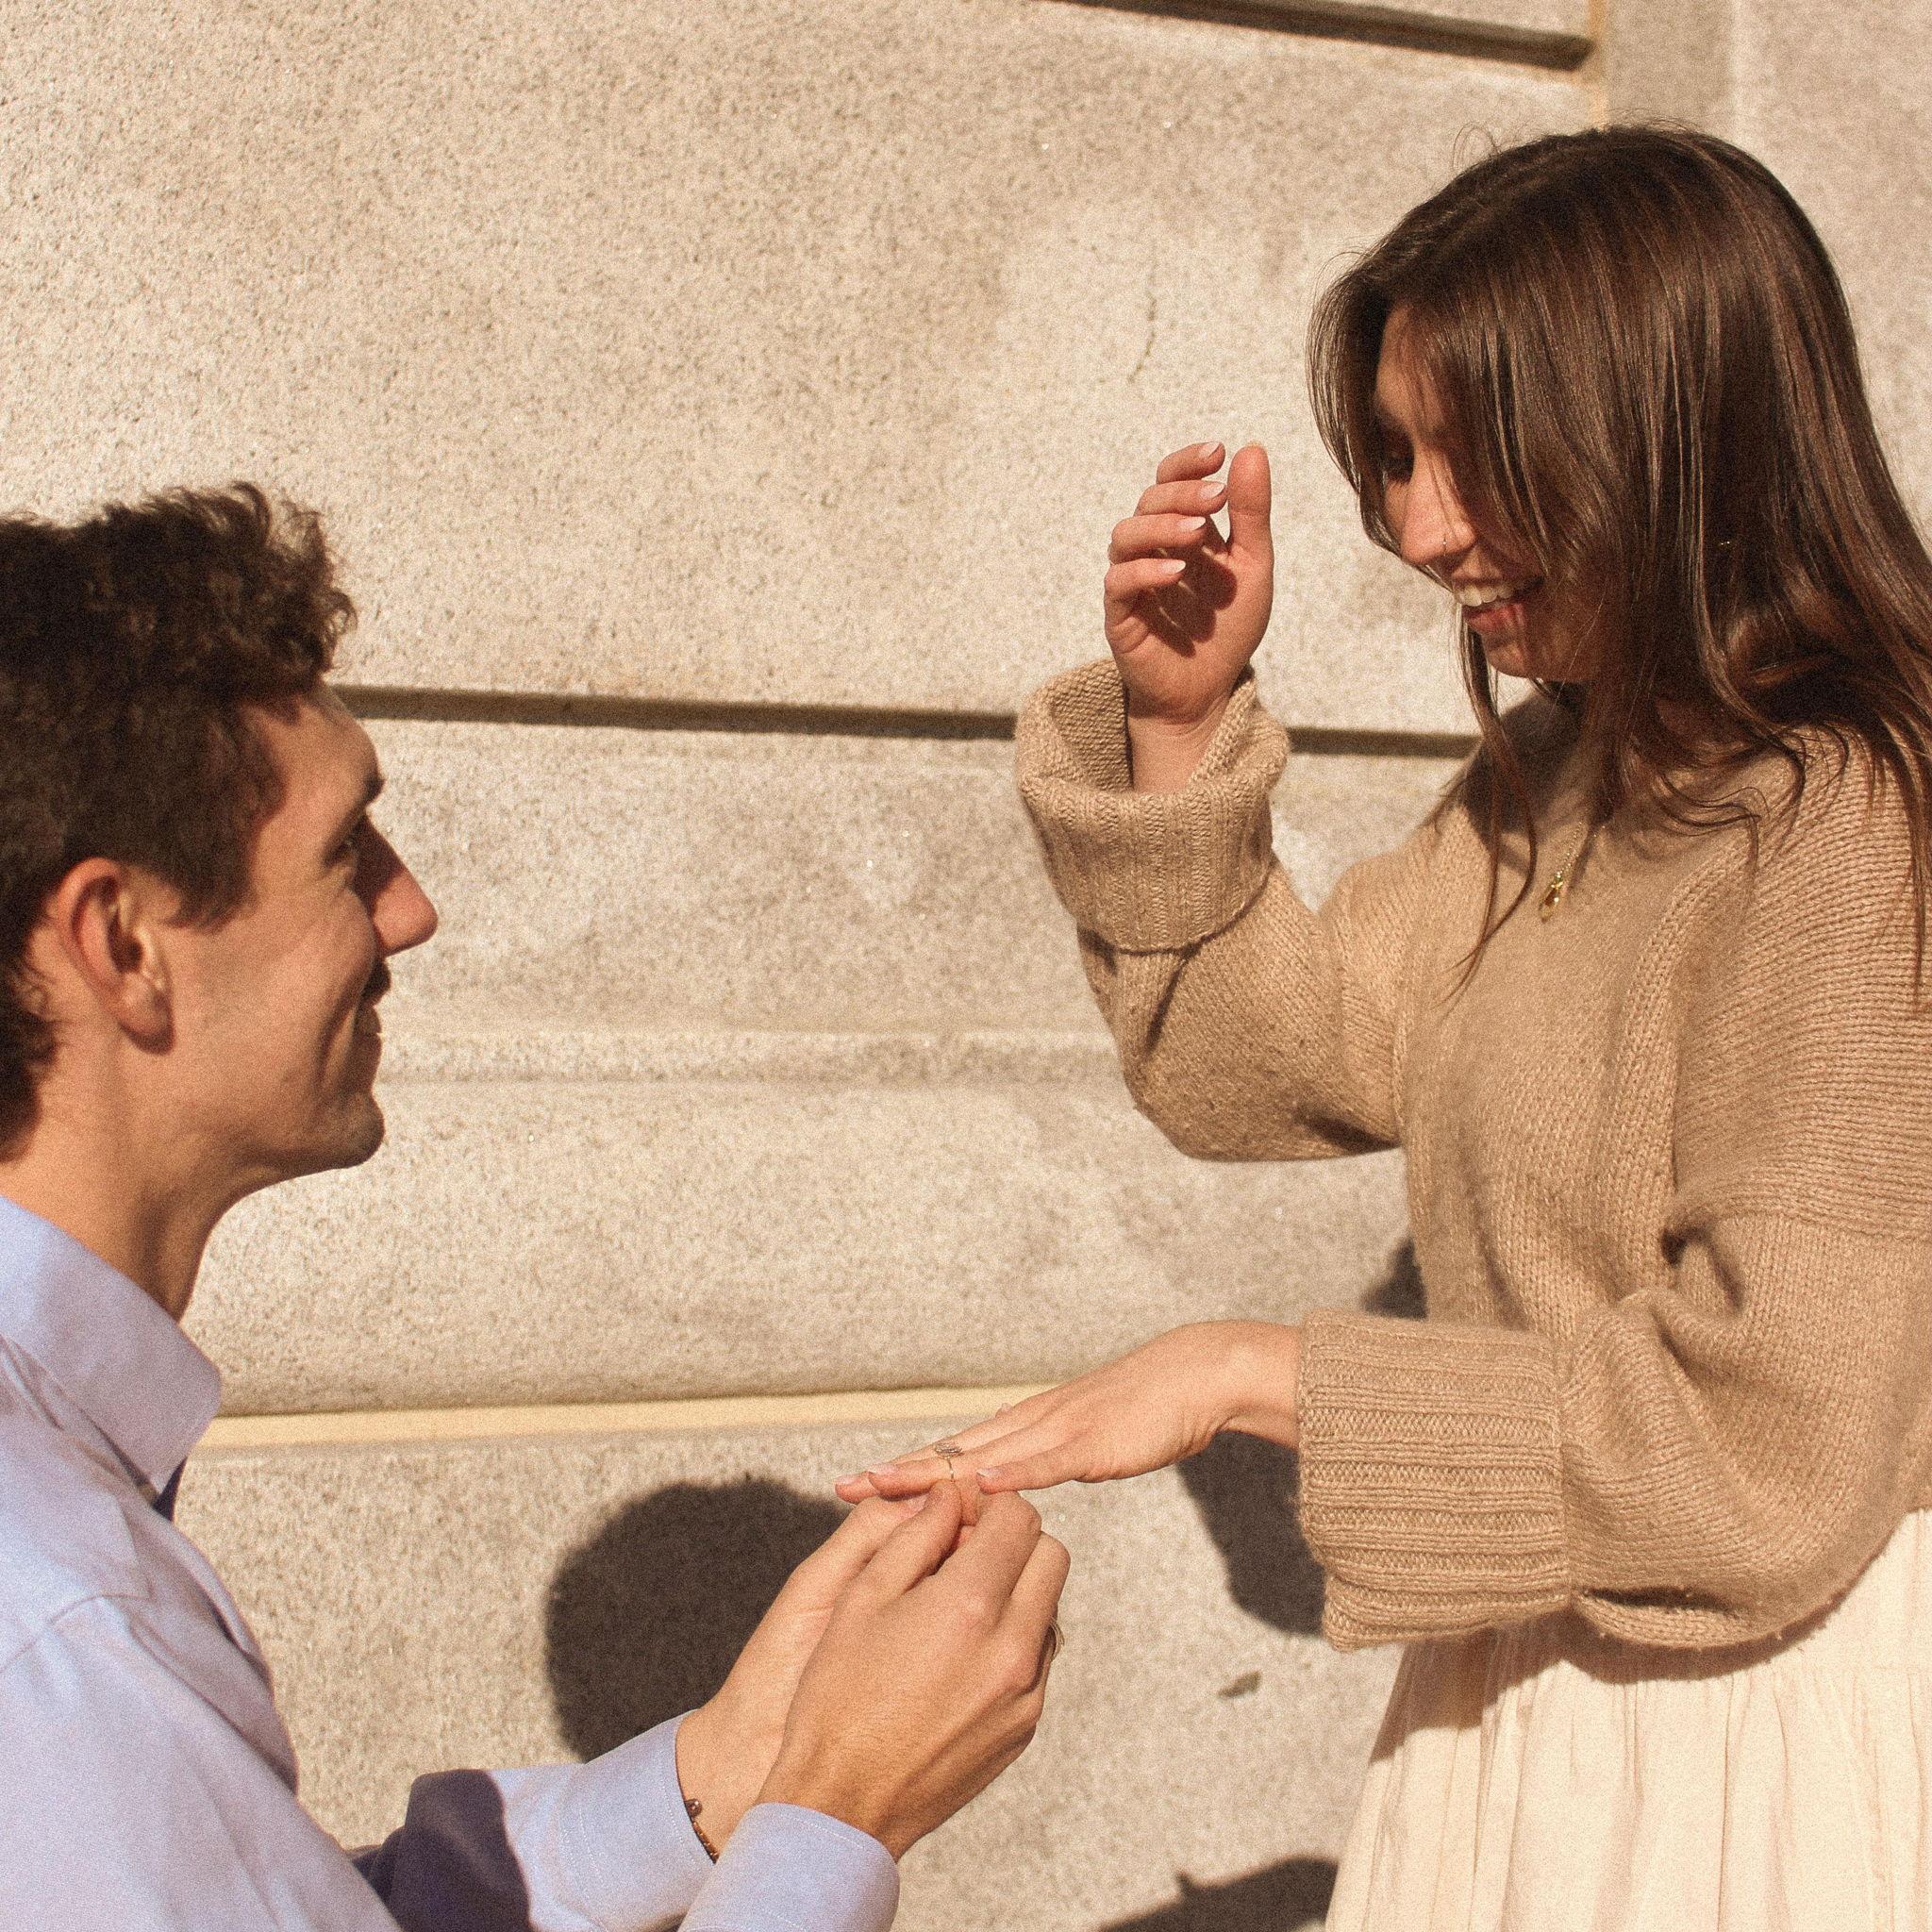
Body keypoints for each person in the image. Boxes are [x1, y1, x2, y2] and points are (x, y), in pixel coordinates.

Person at [841, 125, 1932, 1924]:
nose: (1422, 529)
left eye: (1476, 457)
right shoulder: (1572, 781)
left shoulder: (1853, 821)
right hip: (1547, 1704)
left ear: (1670, 425)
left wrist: (1248, 1375)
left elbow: (1768, 1454)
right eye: (1402, 460)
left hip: (1772, 1752)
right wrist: (1181, 735)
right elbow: (1268, 1060)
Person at [0, 485, 1069, 1930]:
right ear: (123, 944)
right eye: (344, 855)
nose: (409, 908)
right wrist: (835, 1822)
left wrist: (719, 1780)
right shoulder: (58, 1630)